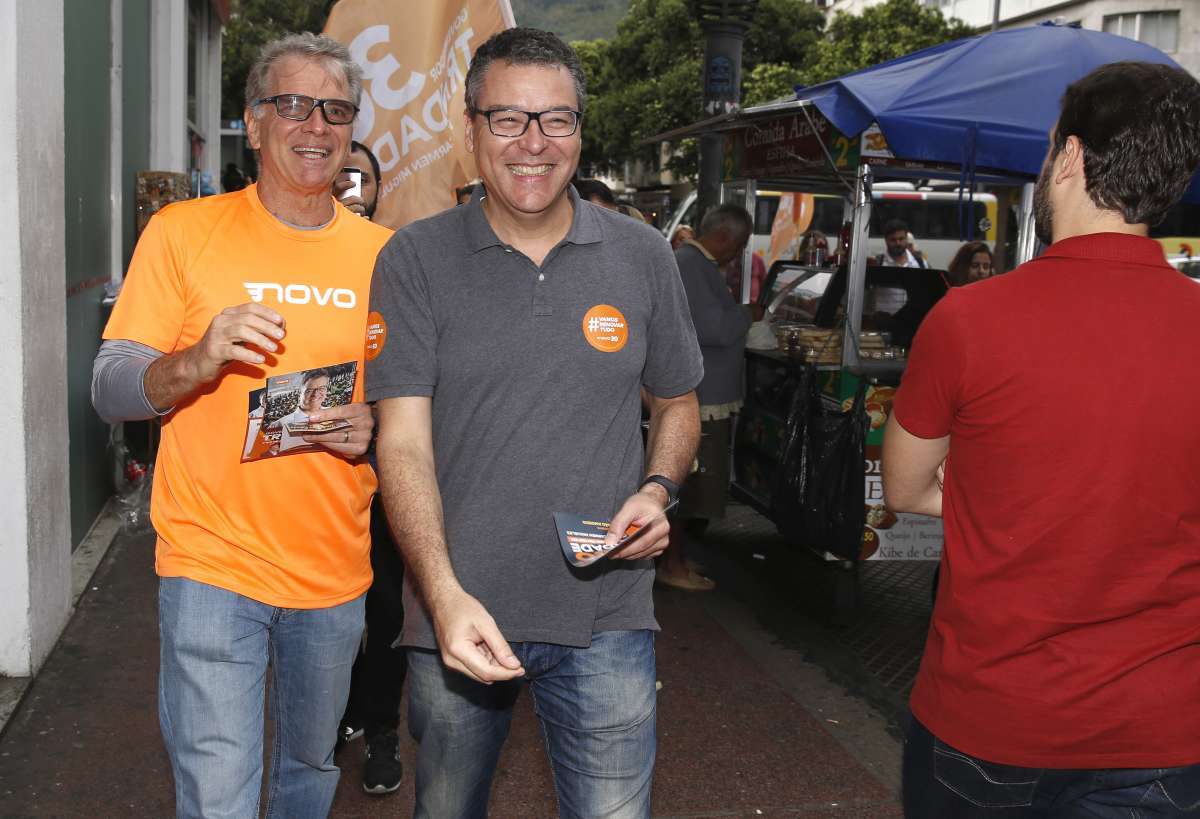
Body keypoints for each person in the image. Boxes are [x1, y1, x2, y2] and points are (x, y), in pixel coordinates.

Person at [366, 26, 703, 818]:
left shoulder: (643, 255)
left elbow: (679, 401)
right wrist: (442, 595)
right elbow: (402, 442)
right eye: (508, 119)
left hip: (609, 614)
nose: (534, 143)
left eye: (557, 119)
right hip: (459, 612)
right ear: (471, 126)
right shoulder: (413, 259)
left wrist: (658, 489)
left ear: (581, 132)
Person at [882, 61, 1200, 817]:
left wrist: (1011, 499)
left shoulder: (968, 319)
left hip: (991, 715)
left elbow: (904, 488)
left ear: (1071, 156)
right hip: (1164, 729)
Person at [91, 32, 391, 818]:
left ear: (352, 128)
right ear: (253, 124)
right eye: (291, 104)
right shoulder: (183, 233)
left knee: (308, 771)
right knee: (219, 792)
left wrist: (377, 428)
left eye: (334, 109)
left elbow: (419, 406)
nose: (314, 125)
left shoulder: (390, 258)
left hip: (334, 569)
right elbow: (109, 387)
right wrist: (195, 359)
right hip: (210, 561)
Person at [661, 205, 755, 591]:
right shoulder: (691, 264)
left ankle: (675, 558)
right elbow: (713, 328)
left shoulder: (693, 264)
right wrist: (748, 314)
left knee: (693, 487)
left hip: (705, 391)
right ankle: (672, 565)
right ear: (724, 237)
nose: (739, 252)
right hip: (702, 395)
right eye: (741, 243)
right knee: (690, 487)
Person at [334, 139, 381, 220]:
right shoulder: (307, 232)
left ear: (380, 190)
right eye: (339, 180)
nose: (350, 187)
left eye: (361, 180)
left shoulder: (391, 233)